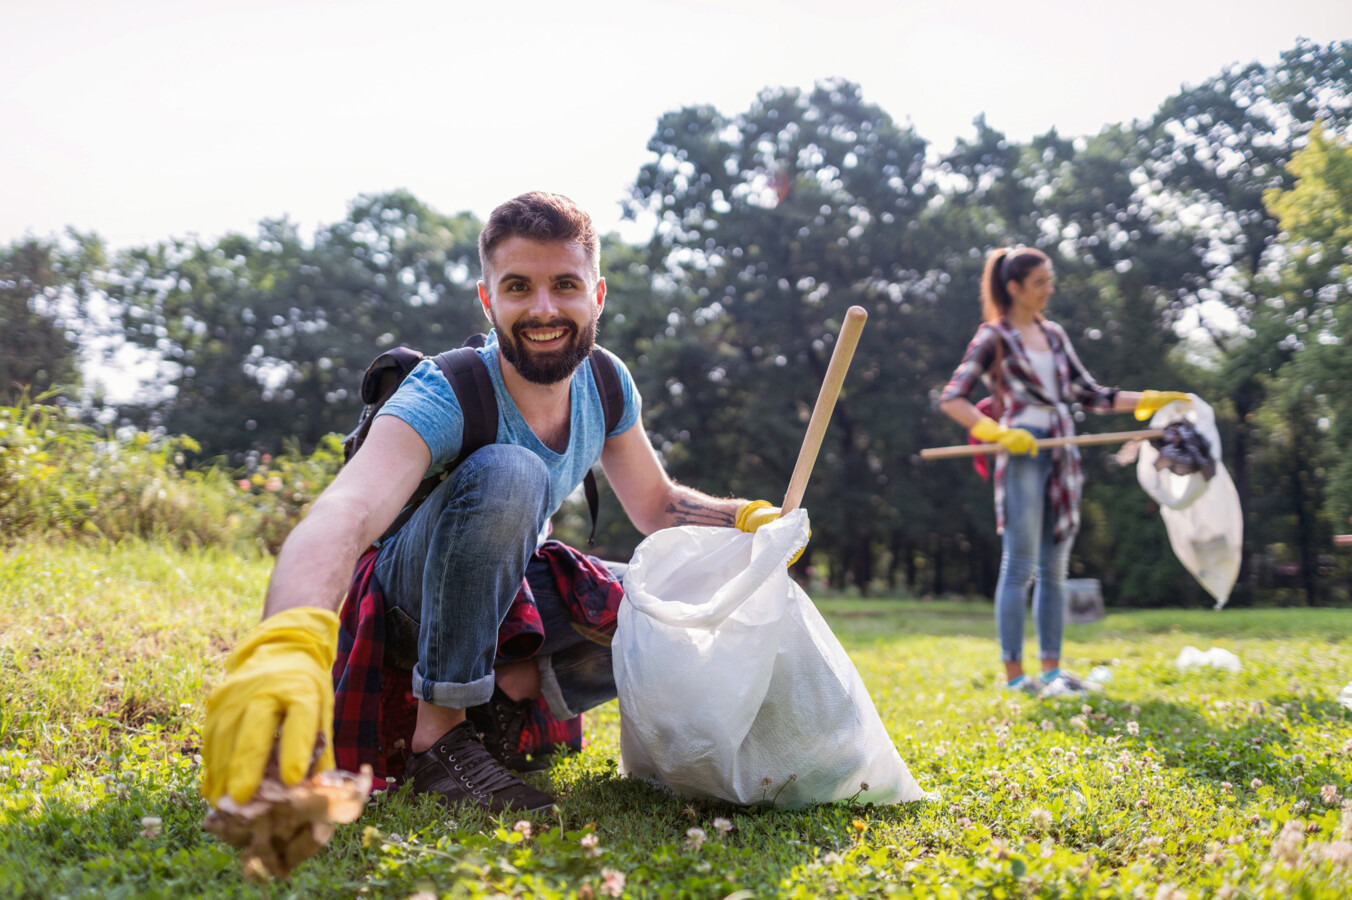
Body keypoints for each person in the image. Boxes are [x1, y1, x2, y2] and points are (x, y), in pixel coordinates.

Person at [201, 192, 791, 814]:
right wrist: (287, 640)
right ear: (488, 300)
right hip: (406, 603)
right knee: (512, 472)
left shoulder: (607, 382)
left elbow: (657, 506)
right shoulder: (448, 389)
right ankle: (438, 733)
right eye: (517, 287)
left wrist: (751, 521)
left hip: (507, 597)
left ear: (597, 295)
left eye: (565, 284)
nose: (543, 308)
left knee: (676, 595)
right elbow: (344, 513)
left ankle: (506, 699)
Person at [939, 247, 1187, 697]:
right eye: (1040, 282)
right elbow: (952, 397)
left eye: (1049, 280)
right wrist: (996, 431)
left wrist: (1150, 399)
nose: (1049, 290)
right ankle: (1016, 677)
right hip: (1022, 455)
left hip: (1064, 456)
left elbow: (1091, 394)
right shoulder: (993, 337)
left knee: (1055, 569)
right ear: (1014, 288)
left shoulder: (1053, 336)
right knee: (1019, 567)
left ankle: (1052, 671)